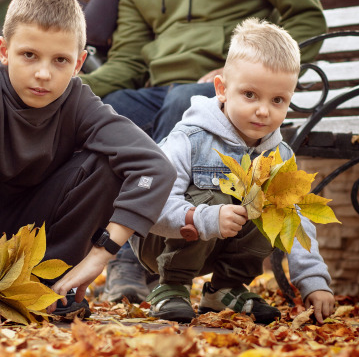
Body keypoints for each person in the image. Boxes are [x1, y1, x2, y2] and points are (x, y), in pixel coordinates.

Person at [81, 0, 327, 302]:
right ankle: (125, 259)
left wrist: (239, 75)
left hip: (220, 94)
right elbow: (129, 57)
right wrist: (74, 89)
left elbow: (307, 17)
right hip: (158, 88)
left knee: (182, 103)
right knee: (111, 113)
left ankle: (136, 269)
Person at [0, 0, 176, 325]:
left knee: (108, 163)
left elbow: (154, 167)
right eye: (29, 55)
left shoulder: (79, 103)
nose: (43, 74)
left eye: (60, 60)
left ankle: (46, 282)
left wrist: (100, 256)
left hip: (31, 235)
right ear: (4, 50)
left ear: (78, 63)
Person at [131, 18, 336, 326]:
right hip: (160, 239)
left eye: (278, 100)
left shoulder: (279, 156)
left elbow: (296, 221)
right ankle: (171, 286)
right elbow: (151, 202)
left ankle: (225, 288)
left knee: (275, 206)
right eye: (250, 95)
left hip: (220, 243)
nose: (263, 110)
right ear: (222, 89)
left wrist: (314, 281)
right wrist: (205, 218)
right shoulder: (190, 138)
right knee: (218, 191)